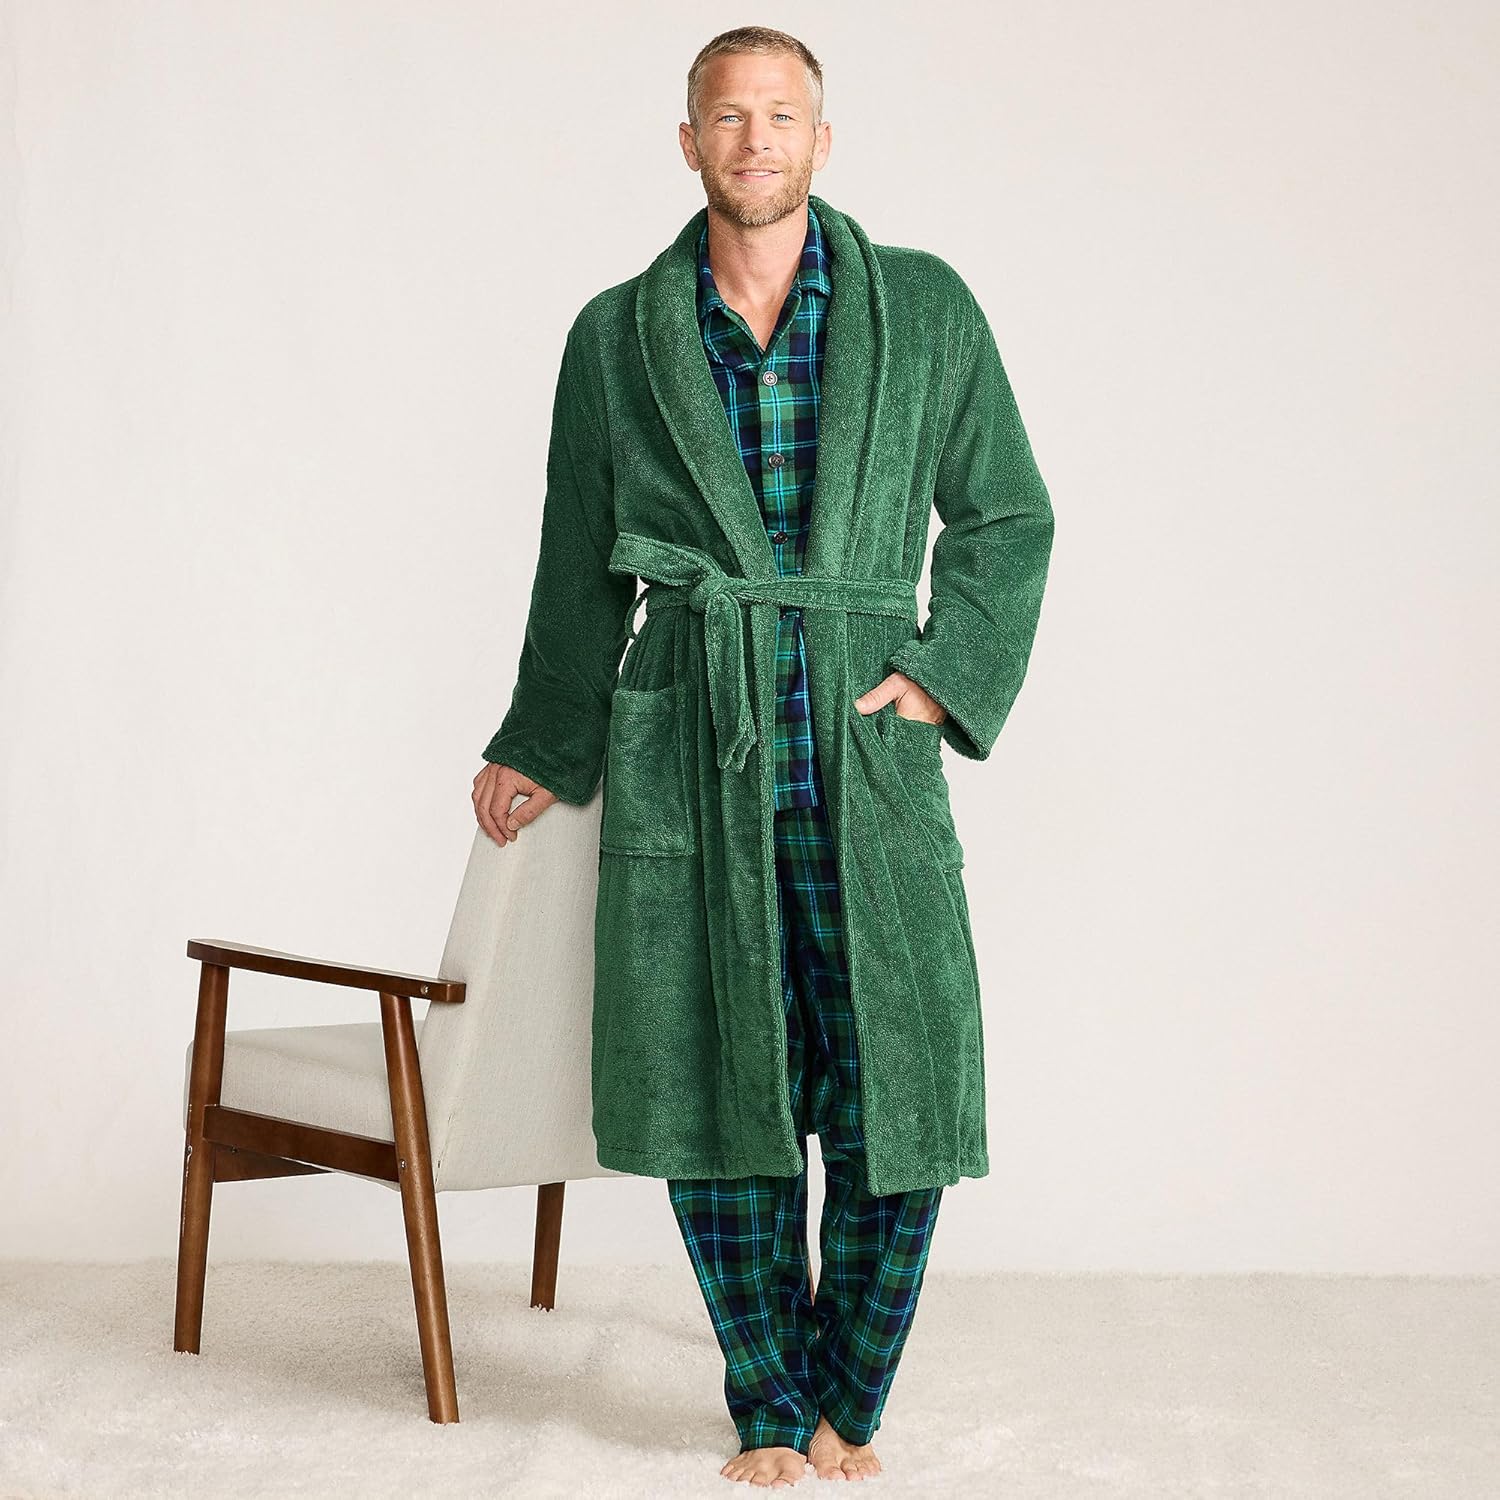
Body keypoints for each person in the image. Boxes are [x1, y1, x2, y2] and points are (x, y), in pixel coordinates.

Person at [473, 25, 1053, 1488]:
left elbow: (1006, 514)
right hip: (696, 733)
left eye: (781, 115)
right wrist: (544, 737)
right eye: (727, 117)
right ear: (689, 143)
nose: (755, 140)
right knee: (710, 1065)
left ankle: (854, 1392)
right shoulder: (618, 335)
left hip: (863, 739)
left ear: (821, 139)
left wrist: (939, 682)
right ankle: (770, 1407)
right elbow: (576, 565)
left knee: (896, 1073)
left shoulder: (923, 308)